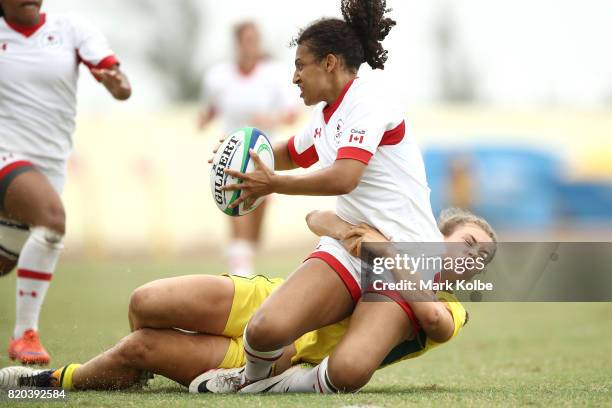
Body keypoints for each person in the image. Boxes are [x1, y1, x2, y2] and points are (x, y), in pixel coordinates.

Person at [206, 0, 448, 393]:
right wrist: (241, 156)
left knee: (349, 371)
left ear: (330, 63)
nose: (295, 78)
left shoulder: (370, 99)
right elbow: (289, 153)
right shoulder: (326, 115)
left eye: (301, 65)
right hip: (352, 246)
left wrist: (272, 184)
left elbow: (345, 177)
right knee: (265, 330)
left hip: (403, 257)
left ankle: (279, 387)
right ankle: (251, 379)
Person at [0, 208, 496, 391]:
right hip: (264, 294)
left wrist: (381, 252)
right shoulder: (396, 223)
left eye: (483, 261)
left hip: (281, 356)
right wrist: (349, 232)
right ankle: (133, 372)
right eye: (470, 246)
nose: (474, 261)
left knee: (140, 347)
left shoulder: (450, 304)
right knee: (146, 302)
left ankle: (39, 385)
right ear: (438, 232)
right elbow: (317, 219)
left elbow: (435, 320)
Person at [0, 0, 131, 365]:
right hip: (5, 156)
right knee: (53, 221)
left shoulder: (71, 28)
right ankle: (25, 335)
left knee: (4, 263)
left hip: (48, 168)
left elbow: (122, 86)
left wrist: (116, 83)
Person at [198, 21, 299, 277]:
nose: (250, 45)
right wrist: (204, 118)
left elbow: (291, 113)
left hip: (264, 160)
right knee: (238, 216)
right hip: (231, 156)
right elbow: (212, 107)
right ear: (237, 43)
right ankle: (241, 282)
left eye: (255, 40)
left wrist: (270, 119)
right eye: (246, 40)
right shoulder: (218, 77)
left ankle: (241, 261)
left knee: (254, 235)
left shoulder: (273, 75)